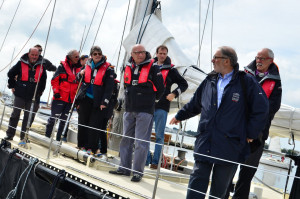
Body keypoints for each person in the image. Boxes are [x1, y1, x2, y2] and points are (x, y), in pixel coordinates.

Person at [169, 46, 269, 199]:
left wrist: (251, 132)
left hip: (230, 144)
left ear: (227, 61)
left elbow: (261, 109)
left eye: (215, 57)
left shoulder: (246, 82)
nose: (212, 60)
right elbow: (196, 102)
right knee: (197, 180)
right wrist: (180, 115)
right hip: (206, 140)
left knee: (220, 188)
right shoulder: (210, 79)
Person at [229, 48, 282, 199]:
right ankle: (221, 195)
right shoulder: (244, 73)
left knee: (247, 172)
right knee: (229, 166)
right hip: (237, 128)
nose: (259, 60)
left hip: (258, 133)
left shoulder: (276, 80)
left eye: (262, 58)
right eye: (257, 57)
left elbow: (274, 106)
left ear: (270, 61)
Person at [109, 44, 165, 182]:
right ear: (132, 54)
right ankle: (124, 168)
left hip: (145, 111)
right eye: (138, 52)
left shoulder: (153, 67)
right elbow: (126, 85)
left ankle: (137, 172)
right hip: (129, 109)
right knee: (125, 140)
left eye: (143, 52)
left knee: (141, 142)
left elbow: (161, 88)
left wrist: (151, 100)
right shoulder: (129, 66)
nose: (141, 55)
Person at [146, 45, 188, 169]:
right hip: (148, 105)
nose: (162, 55)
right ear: (157, 53)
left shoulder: (171, 70)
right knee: (145, 134)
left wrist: (174, 94)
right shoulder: (150, 66)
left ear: (166, 54)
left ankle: (155, 162)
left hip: (162, 106)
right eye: (160, 53)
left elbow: (184, 84)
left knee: (159, 136)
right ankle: (145, 159)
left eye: (165, 53)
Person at [76, 46, 115, 155]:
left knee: (94, 125)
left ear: (102, 55)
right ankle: (81, 145)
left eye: (99, 54)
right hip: (85, 99)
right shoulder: (86, 66)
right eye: (95, 54)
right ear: (91, 55)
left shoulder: (108, 68)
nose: (97, 56)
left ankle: (91, 148)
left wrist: (105, 102)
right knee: (83, 122)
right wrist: (80, 74)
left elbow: (109, 87)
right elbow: (77, 78)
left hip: (98, 102)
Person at [4, 48, 47, 143]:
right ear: (29, 54)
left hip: (33, 97)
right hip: (20, 94)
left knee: (28, 118)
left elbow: (44, 81)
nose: (34, 57)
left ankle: (23, 137)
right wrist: (12, 85)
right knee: (15, 115)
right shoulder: (20, 63)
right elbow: (10, 73)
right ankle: (9, 134)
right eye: (33, 55)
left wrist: (40, 92)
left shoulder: (42, 66)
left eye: (36, 55)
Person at [45, 50, 81, 141]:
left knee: (63, 121)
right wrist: (56, 92)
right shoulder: (61, 67)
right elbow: (54, 80)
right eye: (76, 57)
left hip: (70, 100)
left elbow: (79, 85)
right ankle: (47, 137)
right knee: (53, 119)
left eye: (78, 56)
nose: (78, 58)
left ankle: (58, 140)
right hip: (59, 97)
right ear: (70, 57)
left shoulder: (79, 70)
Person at [95, 72, 119, 160]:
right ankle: (102, 149)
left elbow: (110, 98)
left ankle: (101, 149)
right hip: (107, 111)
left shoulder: (111, 84)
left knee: (100, 129)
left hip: (105, 110)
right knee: (102, 130)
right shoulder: (115, 85)